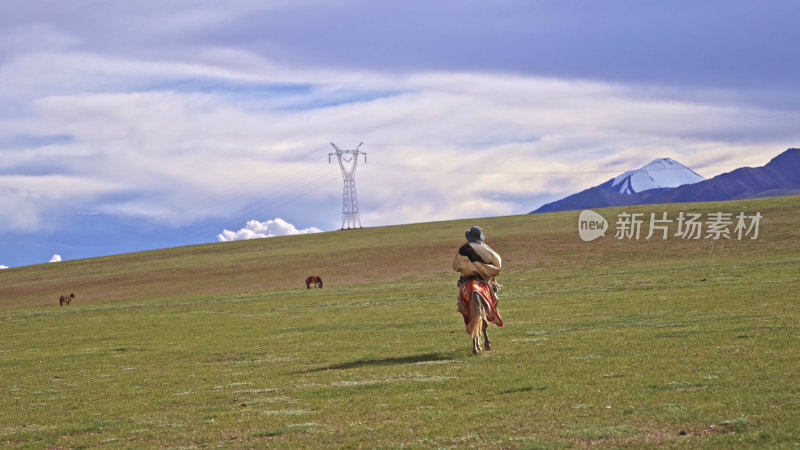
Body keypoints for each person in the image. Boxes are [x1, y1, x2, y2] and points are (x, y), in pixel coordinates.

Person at [453, 226, 503, 327]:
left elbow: (455, 267)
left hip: (466, 279)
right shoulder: (486, 249)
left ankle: (460, 304)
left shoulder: (463, 249)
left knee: (461, 295)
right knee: (495, 297)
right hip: (482, 279)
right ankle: (491, 312)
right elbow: (498, 264)